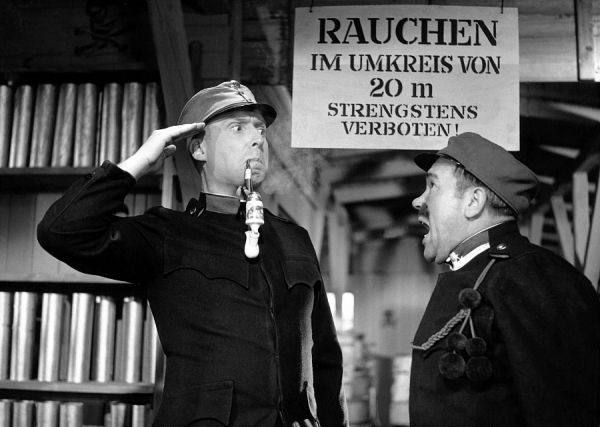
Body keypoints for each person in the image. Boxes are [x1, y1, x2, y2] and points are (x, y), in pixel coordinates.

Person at [38, 81, 348, 427]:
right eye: (238, 128)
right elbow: (62, 232)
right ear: (199, 148)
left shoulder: (294, 239)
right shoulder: (169, 234)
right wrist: (139, 162)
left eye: (260, 129)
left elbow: (325, 358)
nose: (258, 139)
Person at [408, 132, 600, 427]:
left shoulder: (531, 279)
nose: (417, 200)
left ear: (473, 202)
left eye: (432, 185)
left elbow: (564, 411)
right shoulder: (486, 272)